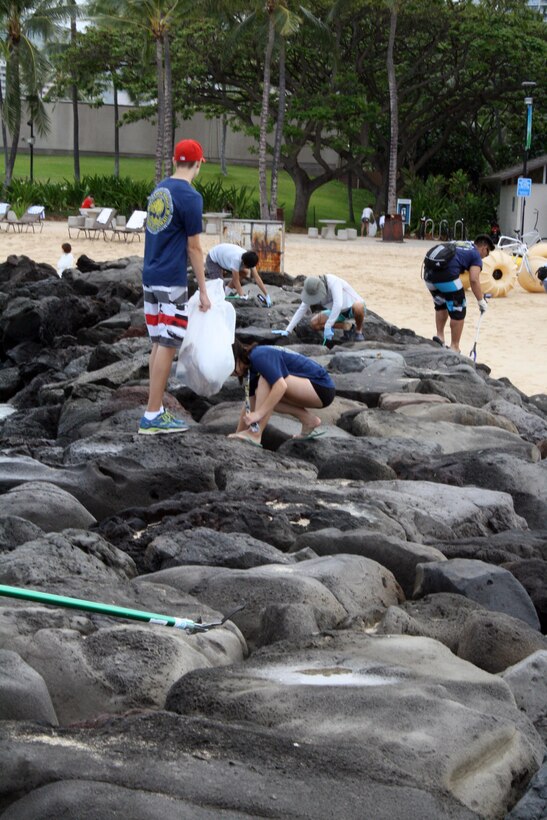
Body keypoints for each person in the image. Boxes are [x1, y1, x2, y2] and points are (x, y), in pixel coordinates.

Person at [139, 138, 211, 435]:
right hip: (171, 280)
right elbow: (194, 248)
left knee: (159, 341)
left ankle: (154, 410)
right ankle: (153, 414)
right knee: (168, 344)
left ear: (173, 161)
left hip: (150, 274)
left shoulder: (159, 190)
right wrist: (204, 290)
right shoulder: (190, 197)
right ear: (197, 164)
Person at [228, 338, 336, 446]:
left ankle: (255, 433)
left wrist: (258, 414)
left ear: (235, 356)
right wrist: (237, 434)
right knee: (263, 395)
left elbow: (281, 386)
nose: (230, 373)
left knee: (266, 380)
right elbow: (249, 402)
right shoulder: (251, 369)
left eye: (229, 367)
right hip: (311, 389)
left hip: (321, 386)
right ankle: (308, 419)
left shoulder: (257, 355)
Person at [424, 234, 495, 353]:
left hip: (428, 275)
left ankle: (440, 337)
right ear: (484, 247)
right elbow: (474, 279)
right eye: (486, 254)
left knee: (441, 304)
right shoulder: (476, 255)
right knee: (458, 309)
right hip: (446, 276)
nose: (484, 257)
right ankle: (454, 347)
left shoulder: (459, 244)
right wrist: (481, 301)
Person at [279, 274, 366, 343]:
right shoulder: (311, 289)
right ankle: (349, 327)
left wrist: (328, 325)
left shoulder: (333, 281)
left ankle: (358, 331)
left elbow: (338, 304)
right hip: (337, 312)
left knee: (359, 305)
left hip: (350, 307)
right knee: (314, 323)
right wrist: (288, 330)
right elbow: (301, 309)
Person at [205, 242, 271, 306]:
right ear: (244, 262)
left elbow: (257, 278)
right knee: (219, 284)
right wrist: (241, 296)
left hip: (224, 259)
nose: (246, 267)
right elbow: (236, 280)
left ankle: (227, 291)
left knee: (245, 272)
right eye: (246, 266)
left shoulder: (250, 258)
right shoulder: (236, 259)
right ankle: (214, 302)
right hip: (213, 259)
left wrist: (267, 295)